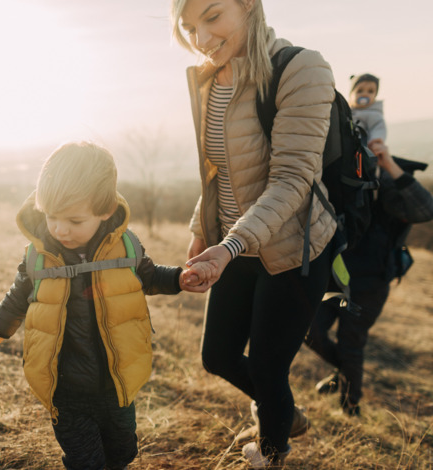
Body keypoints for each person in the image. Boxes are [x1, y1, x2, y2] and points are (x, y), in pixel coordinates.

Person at [170, 0, 338, 466]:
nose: (201, 39)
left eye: (212, 16)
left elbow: (292, 179)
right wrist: (201, 229)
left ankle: (273, 449)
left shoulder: (302, 67)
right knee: (218, 356)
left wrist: (229, 246)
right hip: (231, 244)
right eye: (188, 27)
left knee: (267, 366)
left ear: (249, 5)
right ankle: (283, 413)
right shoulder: (207, 77)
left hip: (292, 246)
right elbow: (221, 170)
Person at [0, 141, 207, 470]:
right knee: (86, 462)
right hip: (65, 388)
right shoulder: (39, 256)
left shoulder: (126, 246)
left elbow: (149, 276)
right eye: (52, 217)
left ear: (106, 211)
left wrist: (179, 279)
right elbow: (16, 300)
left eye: (74, 220)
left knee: (122, 453)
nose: (59, 229)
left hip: (118, 381)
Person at [305, 89, 433, 416]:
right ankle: (345, 372)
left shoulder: (390, 181)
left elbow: (425, 209)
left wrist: (388, 163)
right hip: (338, 271)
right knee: (311, 332)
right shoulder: (344, 173)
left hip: (371, 281)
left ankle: (351, 407)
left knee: (351, 342)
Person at [349, 73, 389, 161]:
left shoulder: (374, 115)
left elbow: (378, 128)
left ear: (375, 96)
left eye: (370, 91)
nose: (365, 94)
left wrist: (375, 142)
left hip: (367, 152)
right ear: (351, 94)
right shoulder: (347, 112)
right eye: (360, 91)